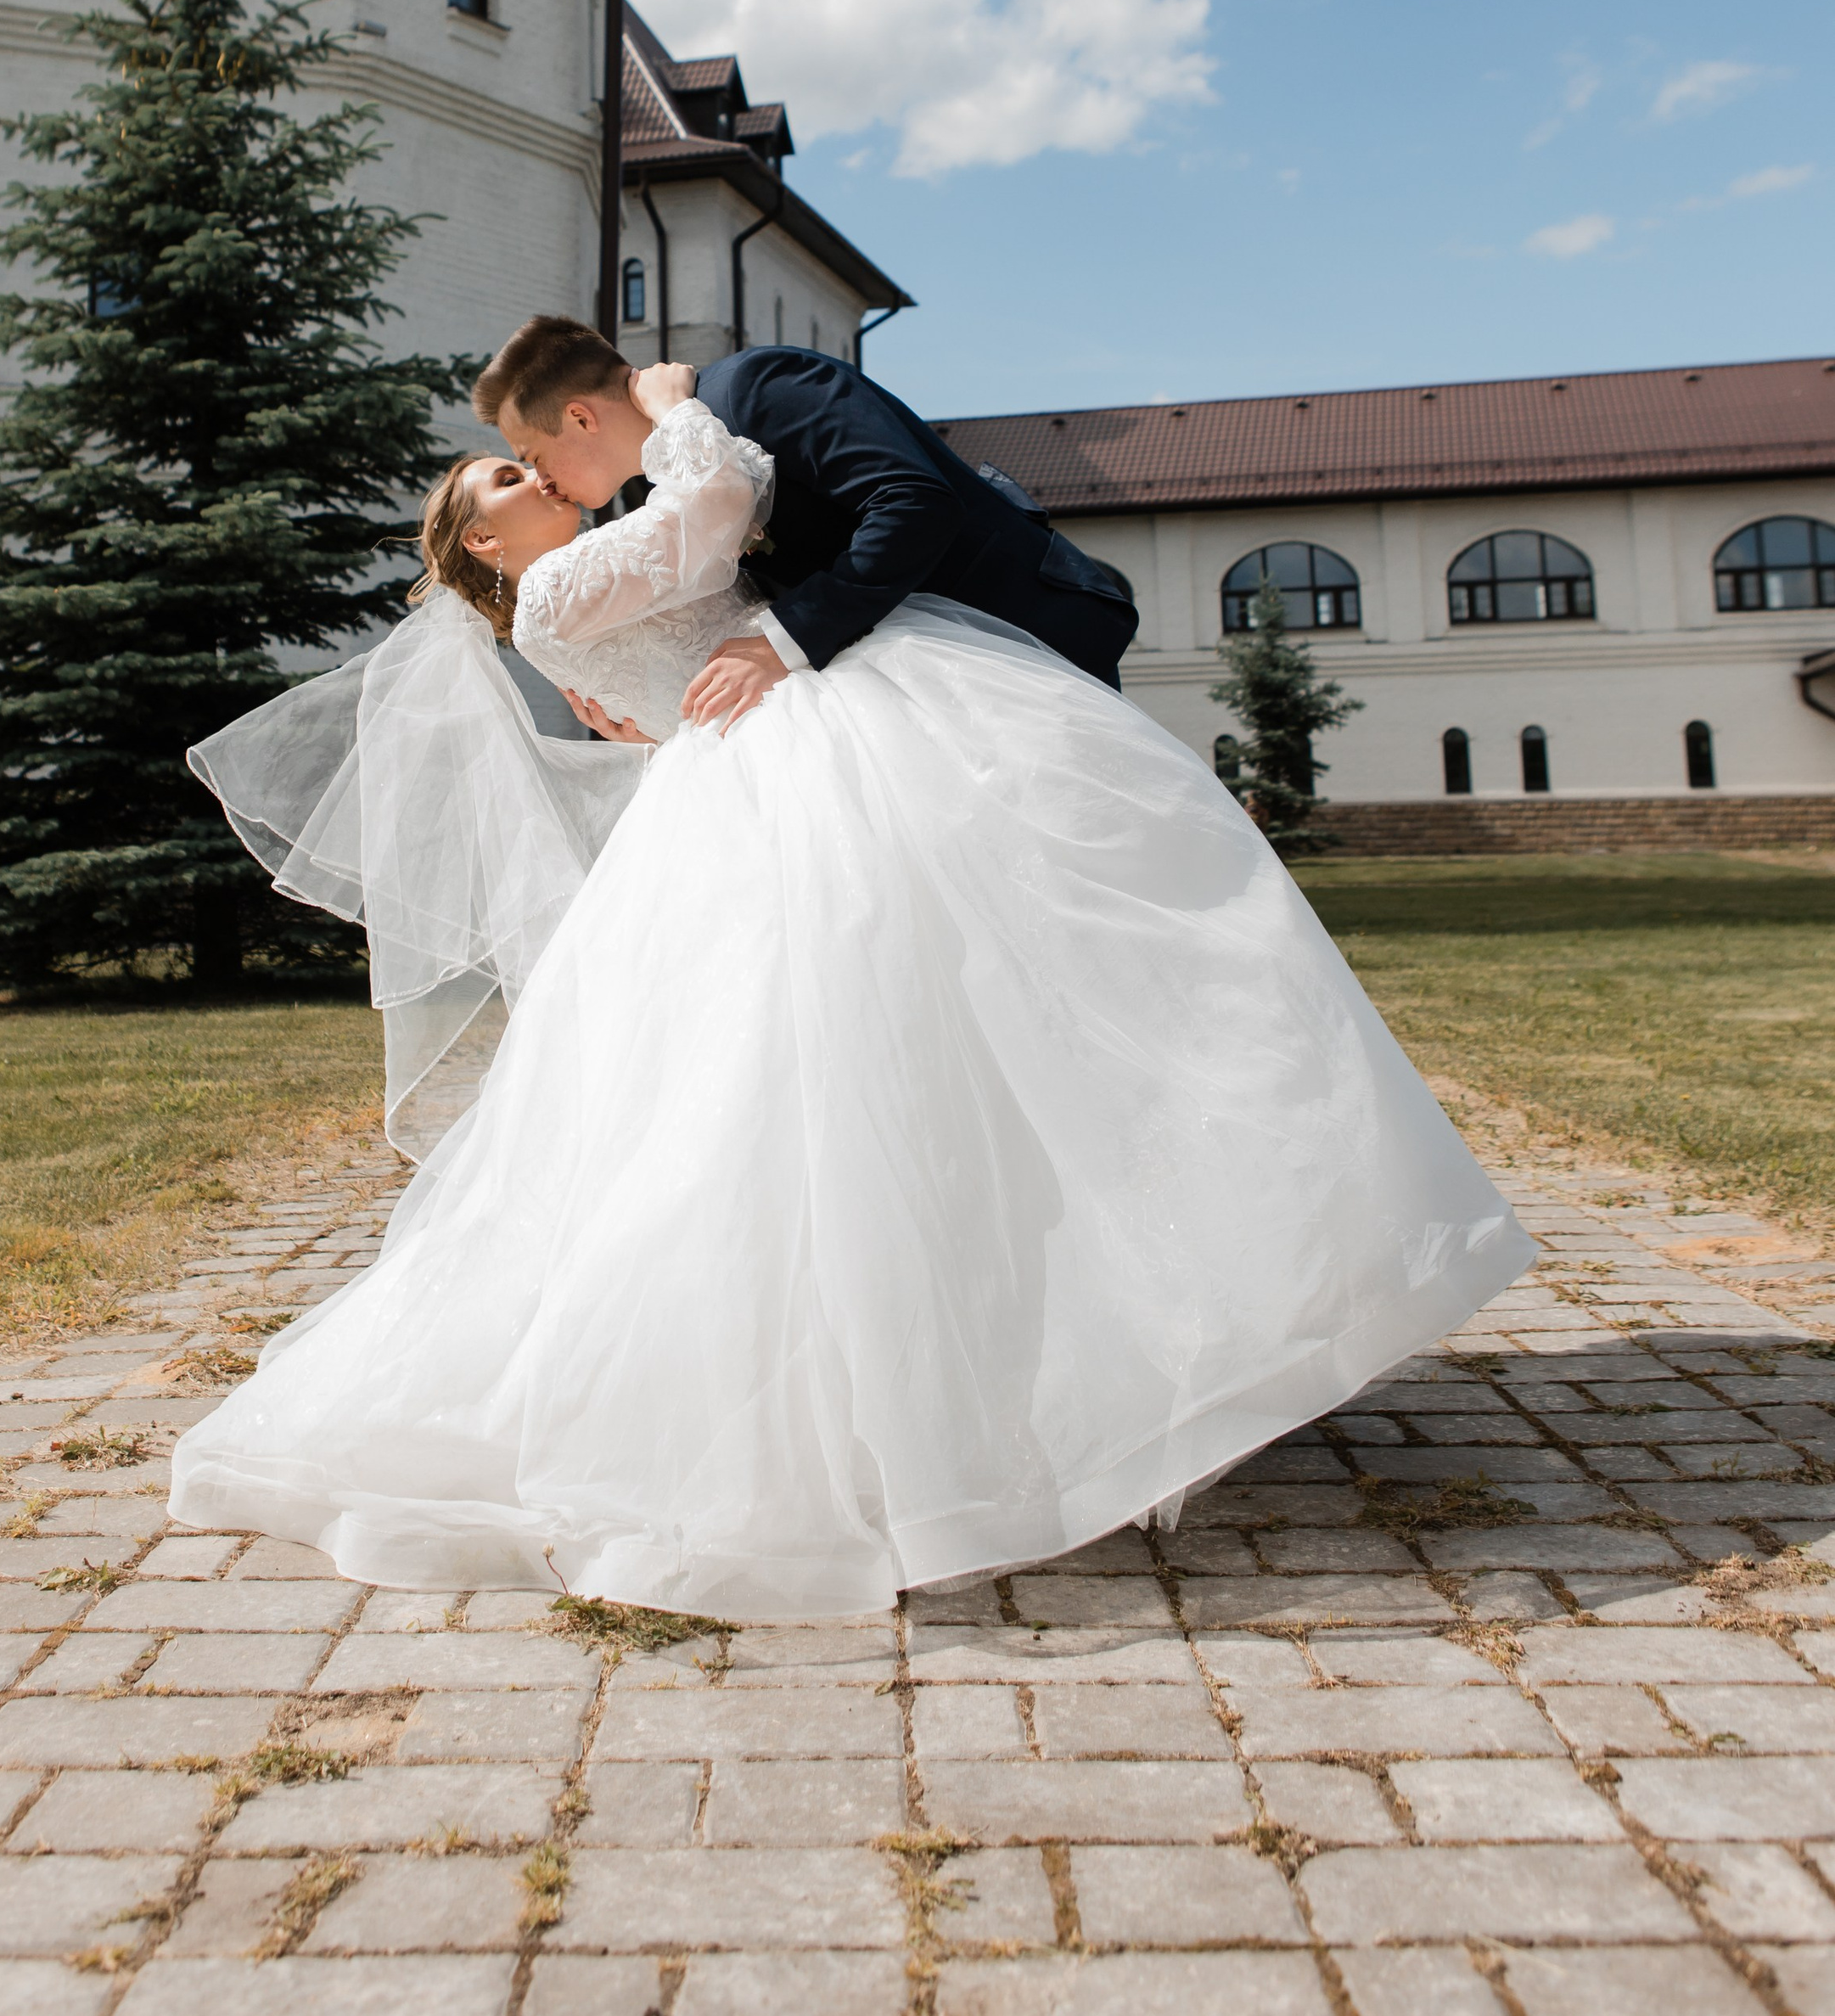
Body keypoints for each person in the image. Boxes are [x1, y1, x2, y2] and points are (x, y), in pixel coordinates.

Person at [170, 378, 1533, 1621]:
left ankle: (1024, 1369)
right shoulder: (556, 589)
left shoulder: (571, 590)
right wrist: (671, 405)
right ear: (483, 541)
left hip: (760, 769)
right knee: (825, 1072)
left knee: (910, 1042)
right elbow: (712, 507)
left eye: (528, 461)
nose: (538, 477)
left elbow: (665, 680)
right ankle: (887, 1420)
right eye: (509, 480)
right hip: (785, 771)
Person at [476, 316, 1136, 738]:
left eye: (534, 455)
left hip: (1018, 645)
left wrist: (780, 643)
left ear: (580, 418)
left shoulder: (755, 388)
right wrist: (659, 722)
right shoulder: (665, 488)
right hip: (914, 714)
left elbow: (913, 502)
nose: (543, 479)